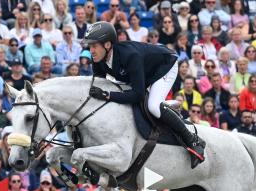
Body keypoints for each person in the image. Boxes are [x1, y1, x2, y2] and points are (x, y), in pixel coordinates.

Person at [84, 21, 205, 168]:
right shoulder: (98, 58)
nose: (91, 50)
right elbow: (100, 84)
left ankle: (193, 140)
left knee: (153, 106)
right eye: (90, 46)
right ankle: (167, 108)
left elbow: (138, 95)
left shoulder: (130, 56)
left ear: (107, 45)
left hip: (165, 65)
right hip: (145, 71)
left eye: (94, 46)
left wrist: (109, 95)